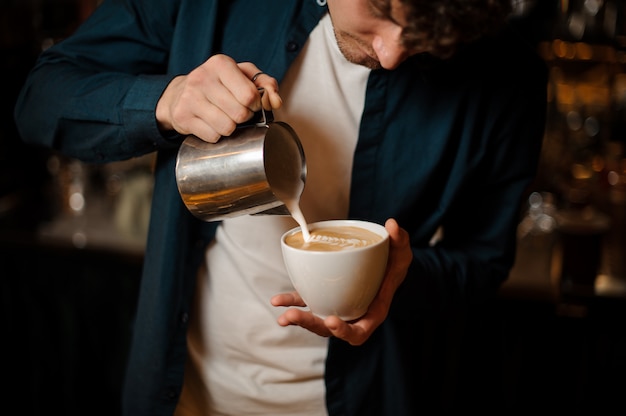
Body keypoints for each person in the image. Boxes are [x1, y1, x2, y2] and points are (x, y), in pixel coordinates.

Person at [14, 0, 548, 414]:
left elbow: (482, 260)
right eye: (383, 13)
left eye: (432, 38)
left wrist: (403, 280)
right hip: (183, 394)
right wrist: (167, 101)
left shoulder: (507, 72)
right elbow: (39, 100)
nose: (392, 54)